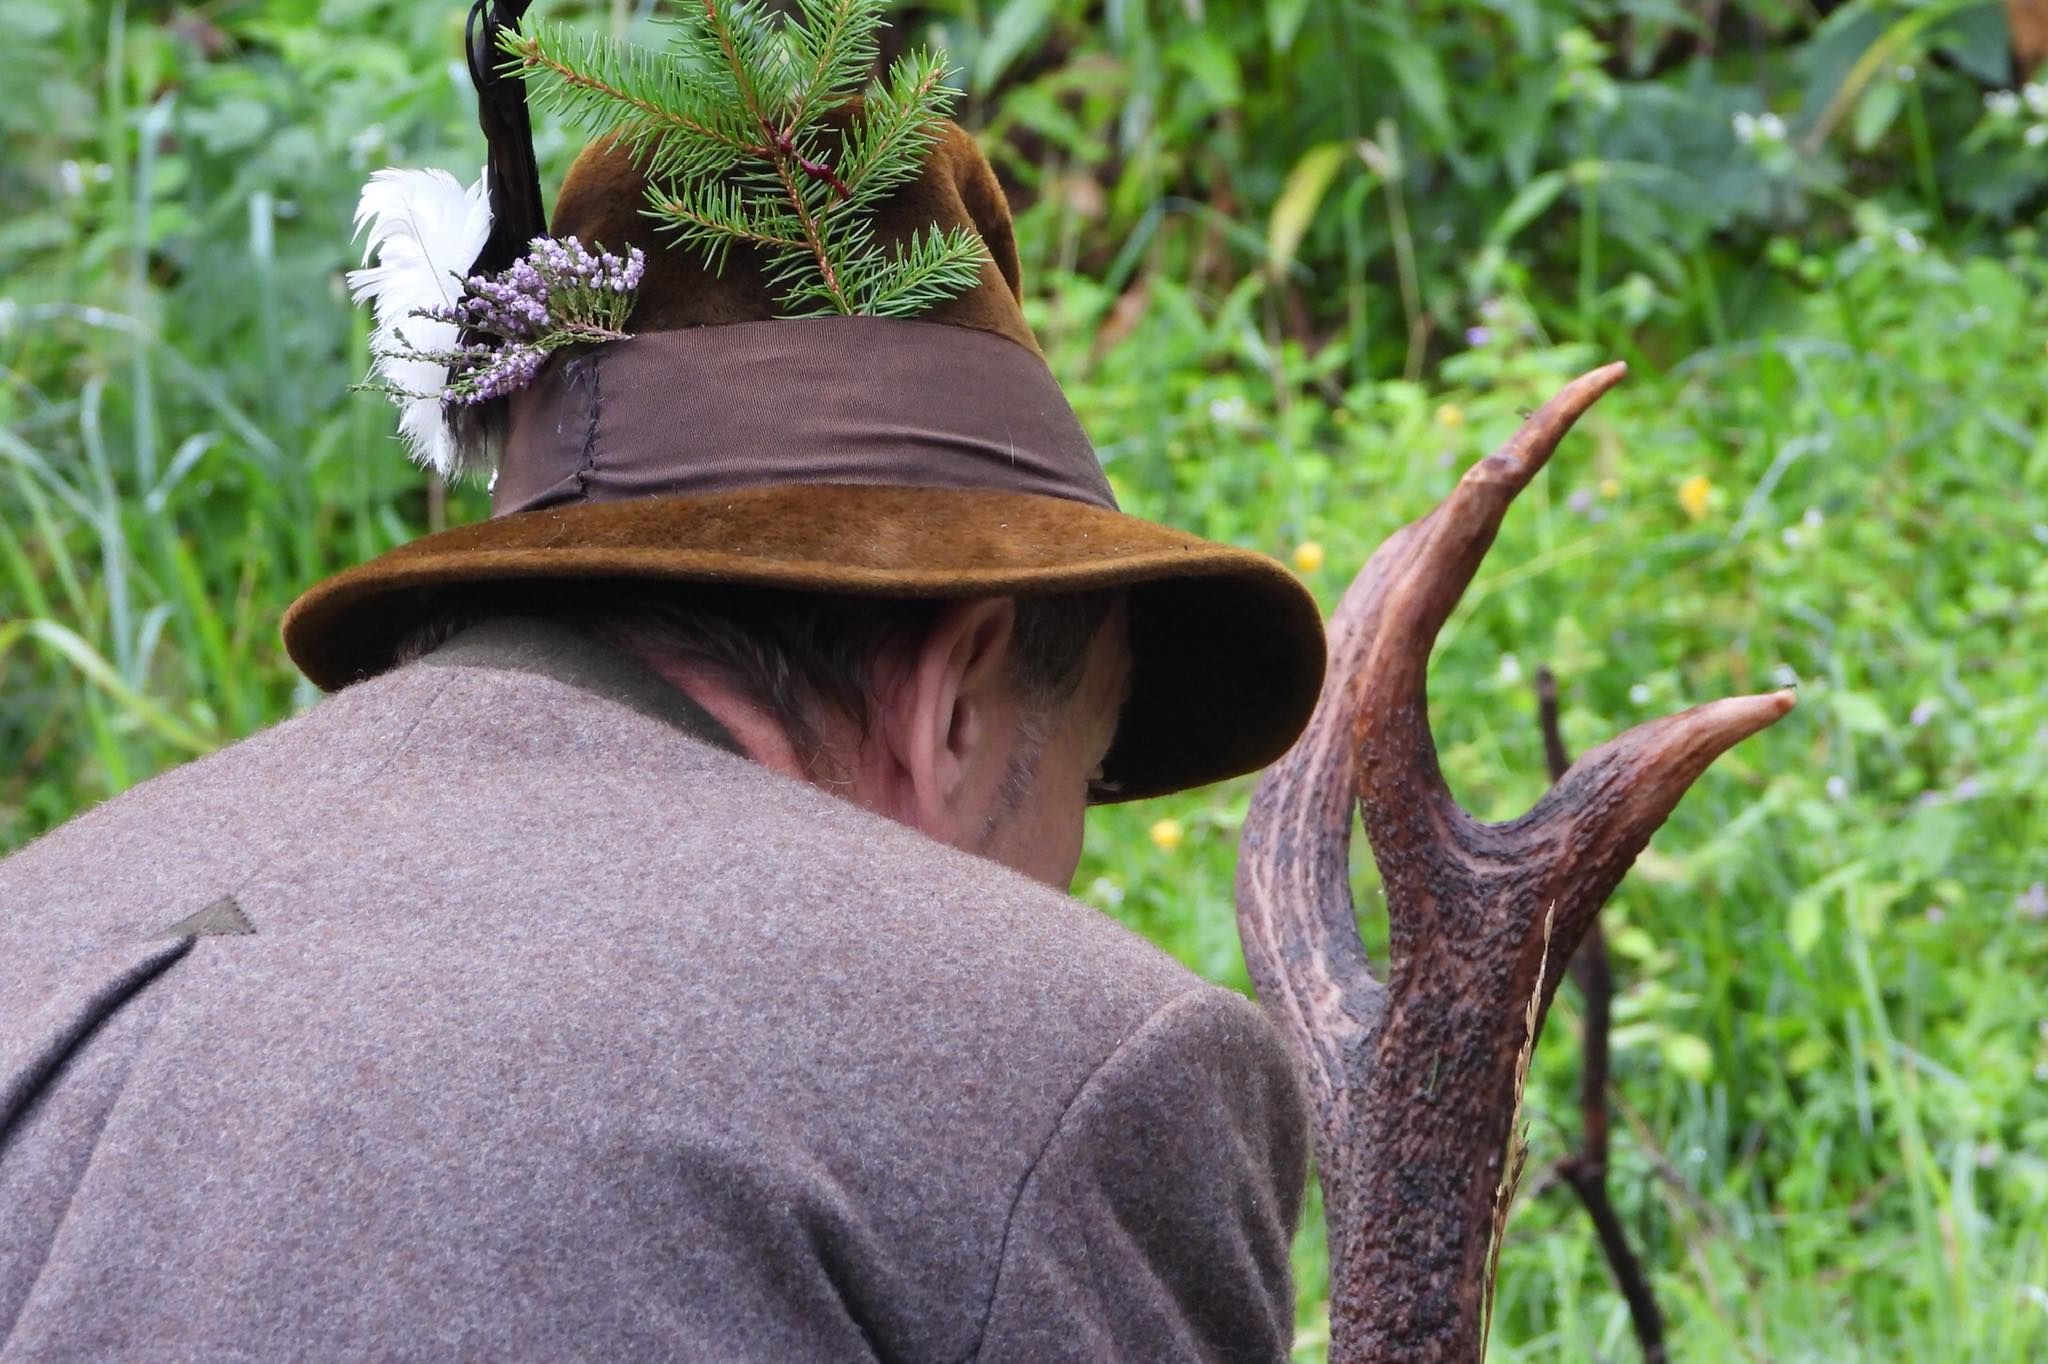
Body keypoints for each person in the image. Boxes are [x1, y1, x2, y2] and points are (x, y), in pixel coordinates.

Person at [0, 7, 1330, 1359]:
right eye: (1093, 772)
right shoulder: (1069, 1058)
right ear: (960, 699)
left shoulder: (32, 926)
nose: (1073, 875)